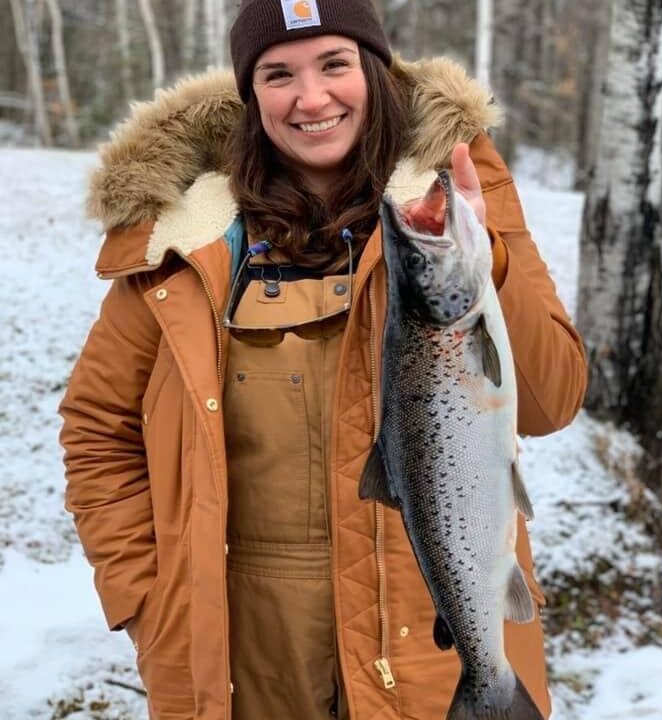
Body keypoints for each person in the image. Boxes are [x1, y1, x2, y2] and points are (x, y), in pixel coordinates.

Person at [59, 1, 587, 719]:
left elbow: (555, 399)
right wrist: (147, 600)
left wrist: (486, 257)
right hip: (248, 656)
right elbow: (98, 430)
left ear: (372, 70)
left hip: (433, 640)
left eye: (334, 64)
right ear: (252, 98)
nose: (312, 98)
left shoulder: (457, 194)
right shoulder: (182, 237)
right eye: (279, 74)